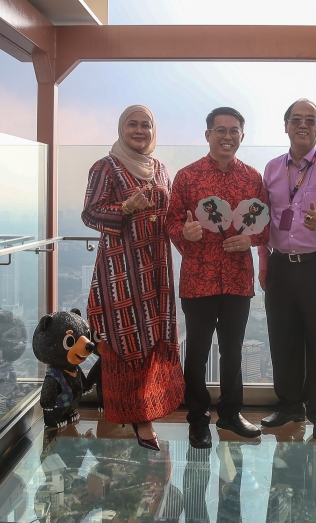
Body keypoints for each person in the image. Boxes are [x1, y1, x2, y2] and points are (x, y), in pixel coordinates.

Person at [82, 105, 184, 451]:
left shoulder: (160, 169)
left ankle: (152, 409)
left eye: (146, 125)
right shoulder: (106, 167)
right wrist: (124, 209)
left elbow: (170, 215)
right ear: (121, 128)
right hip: (121, 271)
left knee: (154, 336)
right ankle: (137, 418)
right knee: (126, 336)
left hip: (156, 267)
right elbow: (90, 213)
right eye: (132, 125)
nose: (139, 131)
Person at [166, 107, 269, 449]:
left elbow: (266, 225)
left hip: (238, 278)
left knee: (233, 350)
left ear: (243, 135)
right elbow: (169, 222)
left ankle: (230, 413)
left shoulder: (253, 178)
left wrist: (250, 239)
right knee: (196, 351)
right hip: (199, 277)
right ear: (207, 134)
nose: (227, 136)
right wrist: (186, 234)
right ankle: (197, 419)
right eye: (220, 130)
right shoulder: (187, 176)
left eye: (234, 130)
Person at [258, 99, 316, 441]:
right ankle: (289, 405)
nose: (302, 125)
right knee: (283, 338)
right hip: (281, 264)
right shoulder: (270, 169)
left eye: (310, 120)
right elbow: (264, 218)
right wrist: (264, 261)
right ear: (286, 126)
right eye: (295, 119)